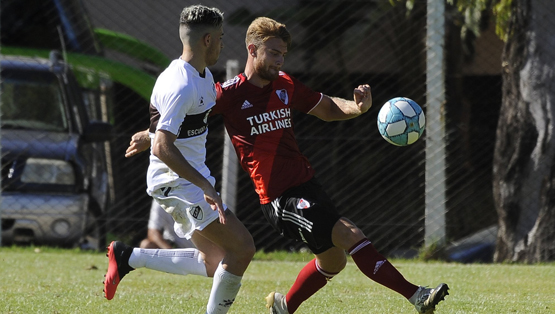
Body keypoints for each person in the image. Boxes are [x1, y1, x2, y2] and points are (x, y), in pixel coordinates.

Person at [127, 16, 449, 314]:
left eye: (283, 54)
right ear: (252, 50)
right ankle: (417, 296)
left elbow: (325, 107)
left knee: (333, 260)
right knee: (350, 234)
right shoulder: (226, 94)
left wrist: (356, 107)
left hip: (307, 184)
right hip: (279, 199)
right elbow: (186, 118)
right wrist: (150, 134)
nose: (280, 61)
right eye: (273, 53)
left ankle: (283, 306)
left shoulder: (285, 84)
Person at [103, 6, 255, 314]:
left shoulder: (202, 75)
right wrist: (204, 186)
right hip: (178, 182)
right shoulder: (180, 83)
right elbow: (163, 147)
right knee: (242, 248)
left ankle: (127, 257)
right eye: (222, 38)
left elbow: (168, 128)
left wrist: (150, 135)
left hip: (190, 179)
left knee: (215, 261)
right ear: (208, 40)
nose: (224, 44)